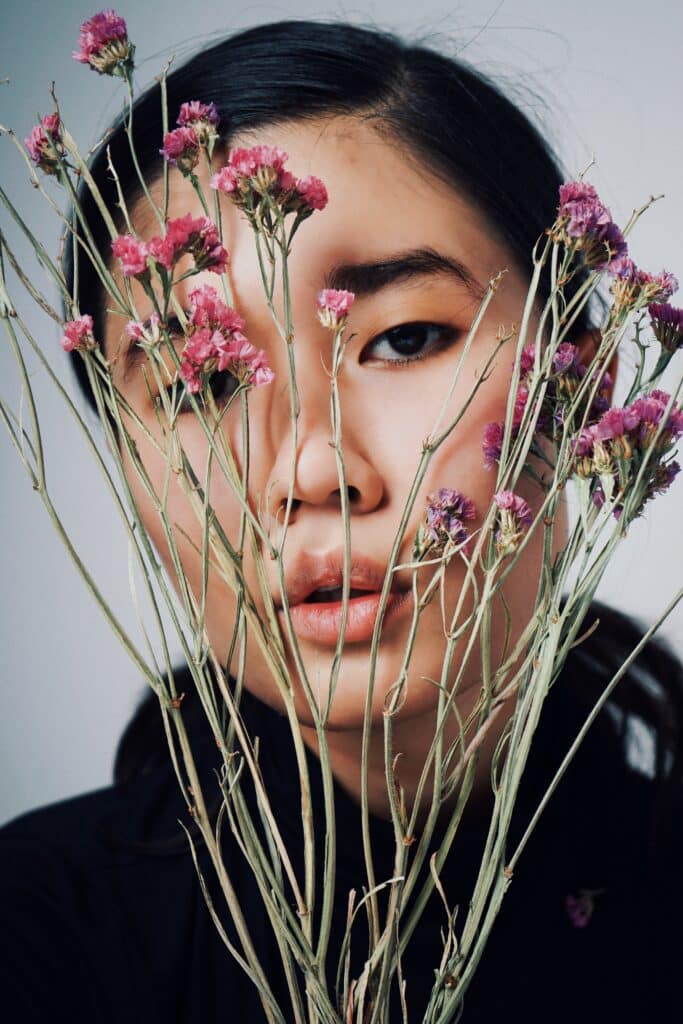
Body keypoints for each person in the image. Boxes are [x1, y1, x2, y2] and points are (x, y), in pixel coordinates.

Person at [1, 18, 681, 1021]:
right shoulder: (42, 932)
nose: (311, 467)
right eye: (206, 382)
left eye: (403, 337)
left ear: (585, 390)